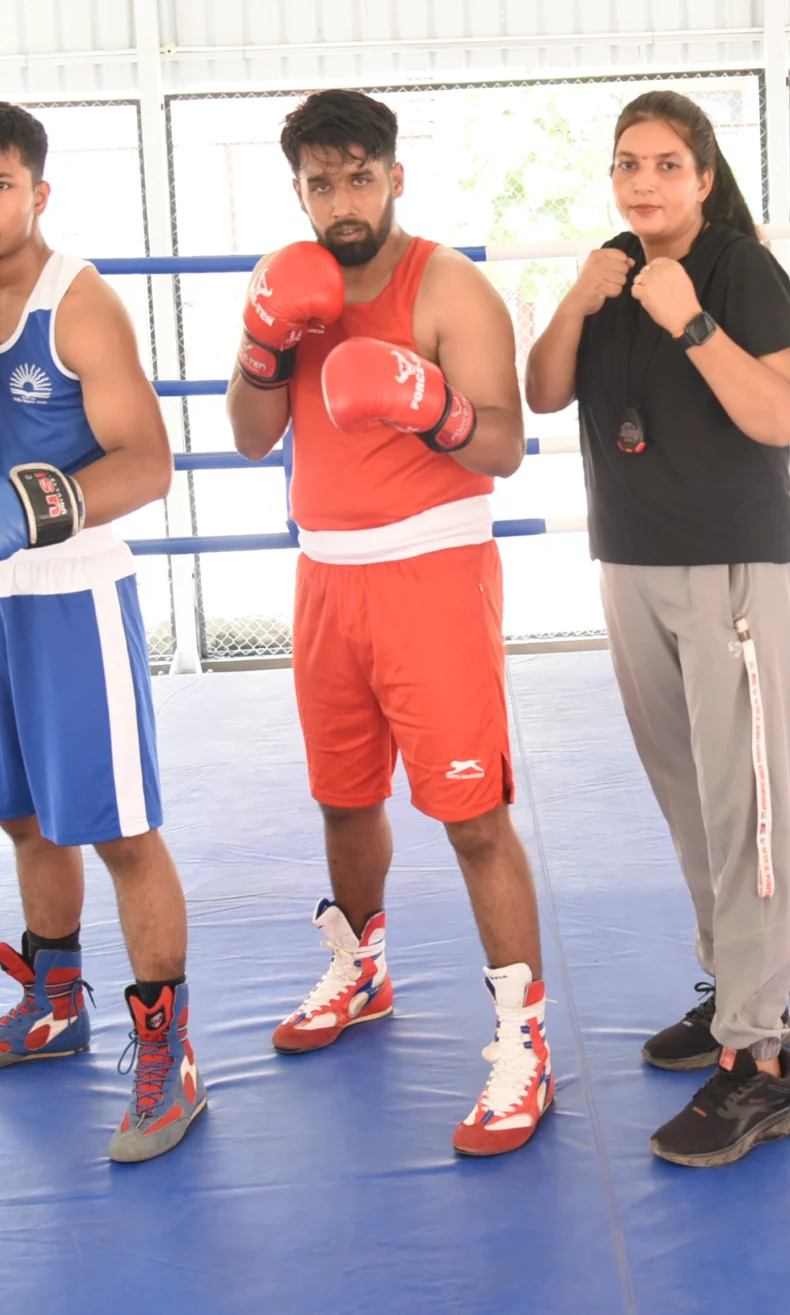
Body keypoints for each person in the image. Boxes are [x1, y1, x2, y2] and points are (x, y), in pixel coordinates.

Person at [225, 87, 553, 1158]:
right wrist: (267, 341)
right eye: (320, 183)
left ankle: (522, 1042)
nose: (341, 200)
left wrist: (432, 404)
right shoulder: (291, 287)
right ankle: (360, 968)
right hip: (327, 579)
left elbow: (501, 447)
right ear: (301, 191)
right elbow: (246, 435)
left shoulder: (448, 287)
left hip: (431, 578)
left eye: (358, 177)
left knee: (471, 817)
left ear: (395, 177)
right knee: (341, 801)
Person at [0, 100, 203, 1164]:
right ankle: (55, 1006)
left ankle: (170, 1056)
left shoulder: (78, 305)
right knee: (23, 818)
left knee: (118, 831)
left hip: (73, 596)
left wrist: (29, 507)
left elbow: (147, 463)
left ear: (37, 193)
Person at [523, 91, 790, 1168]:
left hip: (730, 568)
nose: (643, 183)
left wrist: (688, 319)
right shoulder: (607, 265)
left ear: (701, 175)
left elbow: (777, 417)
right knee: (689, 798)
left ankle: (760, 1063)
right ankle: (739, 993)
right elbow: (543, 393)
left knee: (747, 811)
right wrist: (576, 299)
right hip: (629, 565)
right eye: (626, 164)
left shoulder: (736, 268)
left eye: (665, 165)